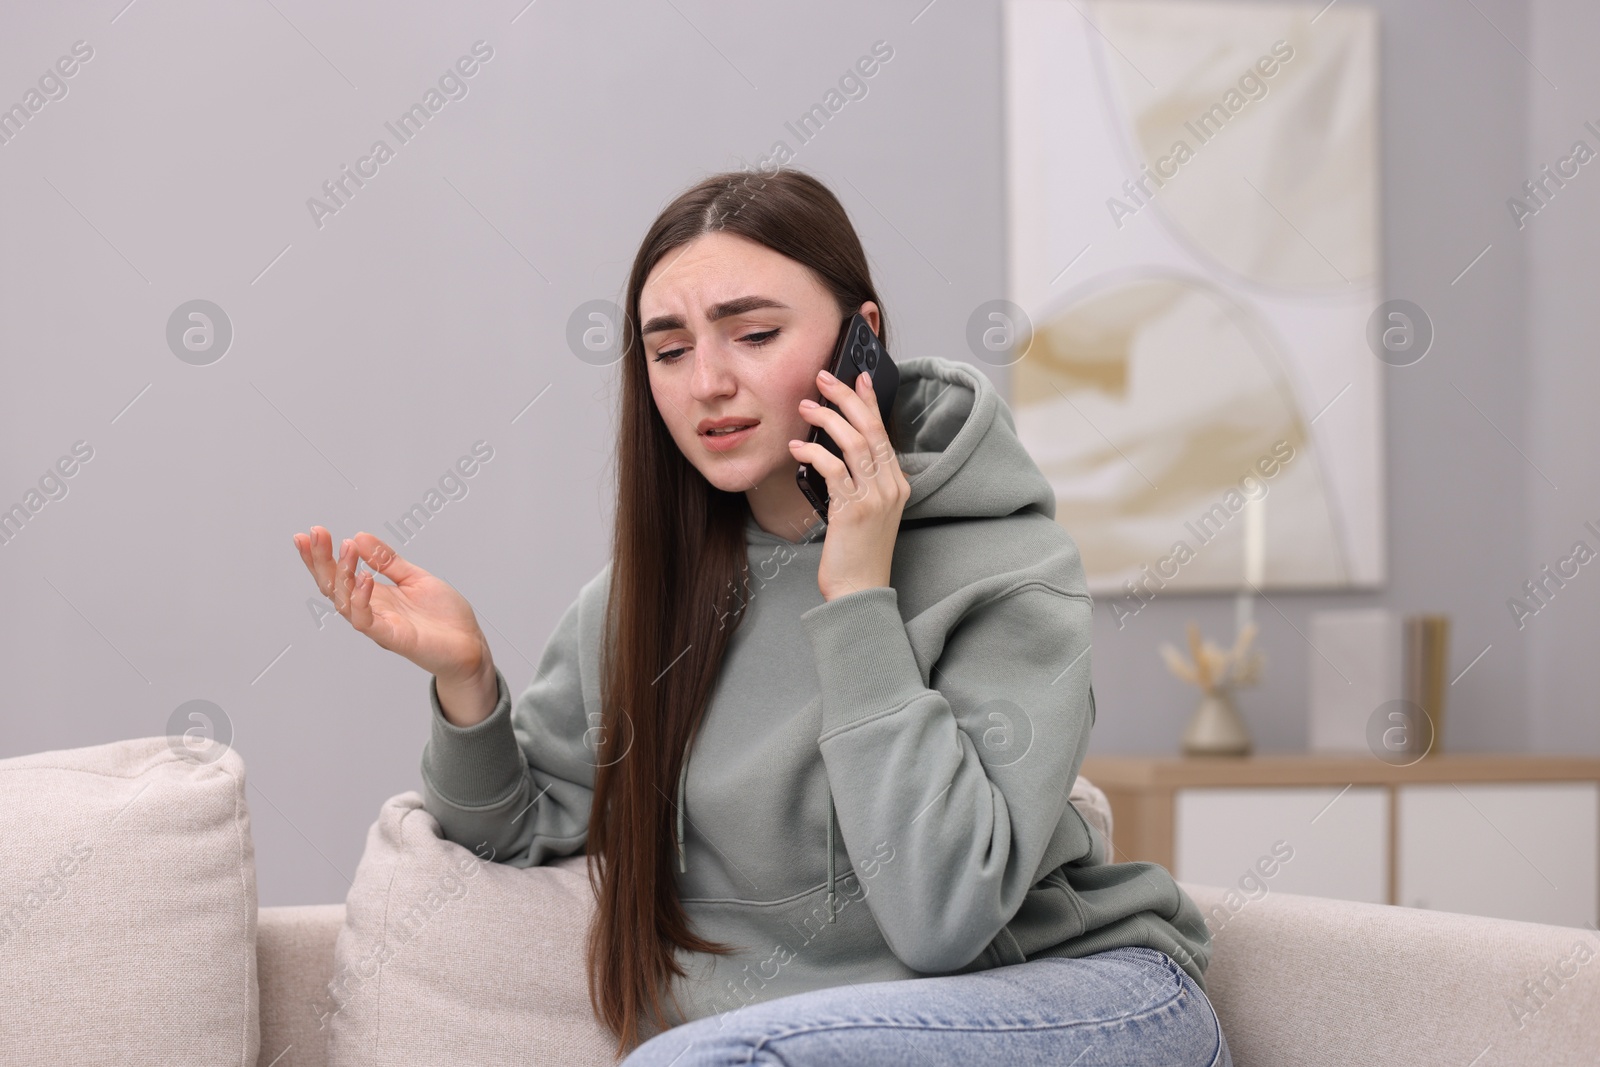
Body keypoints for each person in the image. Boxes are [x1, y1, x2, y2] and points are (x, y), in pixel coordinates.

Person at [292, 167, 1230, 1067]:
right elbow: (517, 828)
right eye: (669, 350)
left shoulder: (1007, 564)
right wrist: (467, 680)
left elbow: (943, 912)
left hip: (1077, 1008)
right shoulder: (640, 600)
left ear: (862, 336)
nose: (707, 382)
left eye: (752, 333)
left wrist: (858, 595)